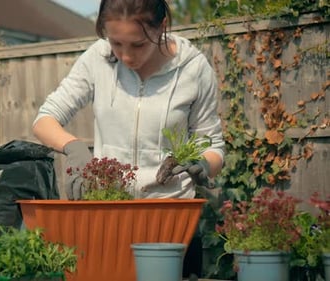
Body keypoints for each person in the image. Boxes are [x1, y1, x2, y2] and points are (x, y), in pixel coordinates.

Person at [33, 2, 225, 277]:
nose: (124, 56)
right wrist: (74, 148)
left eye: (137, 45)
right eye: (115, 43)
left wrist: (203, 164)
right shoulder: (97, 59)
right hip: (107, 219)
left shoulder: (193, 69)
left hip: (170, 222)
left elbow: (213, 145)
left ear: (161, 28)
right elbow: (45, 119)